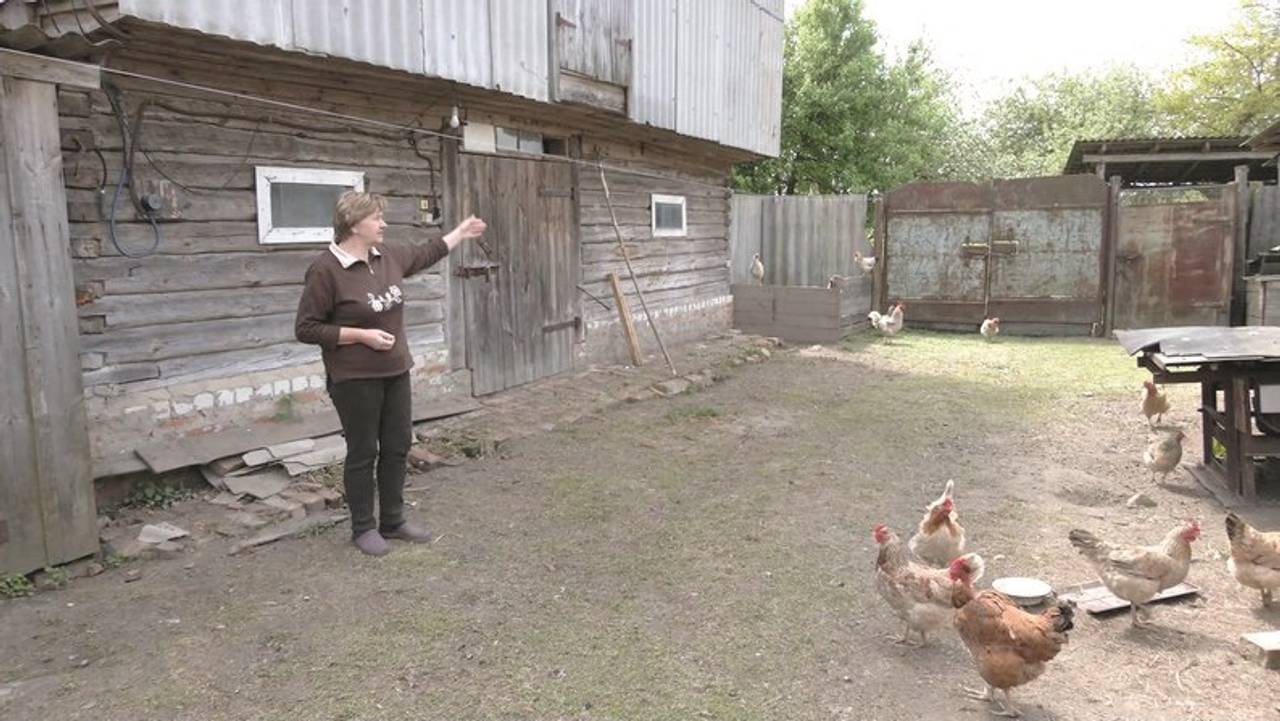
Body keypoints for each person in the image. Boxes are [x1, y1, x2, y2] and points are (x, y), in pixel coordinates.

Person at [296, 191, 486, 556]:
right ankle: (363, 528)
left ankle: (393, 520)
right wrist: (359, 335)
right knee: (363, 451)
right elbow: (306, 328)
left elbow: (427, 252)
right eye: (376, 218)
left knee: (398, 445)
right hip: (354, 378)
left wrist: (460, 232)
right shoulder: (325, 270)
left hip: (396, 370)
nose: (384, 224)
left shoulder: (388, 257)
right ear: (353, 224)